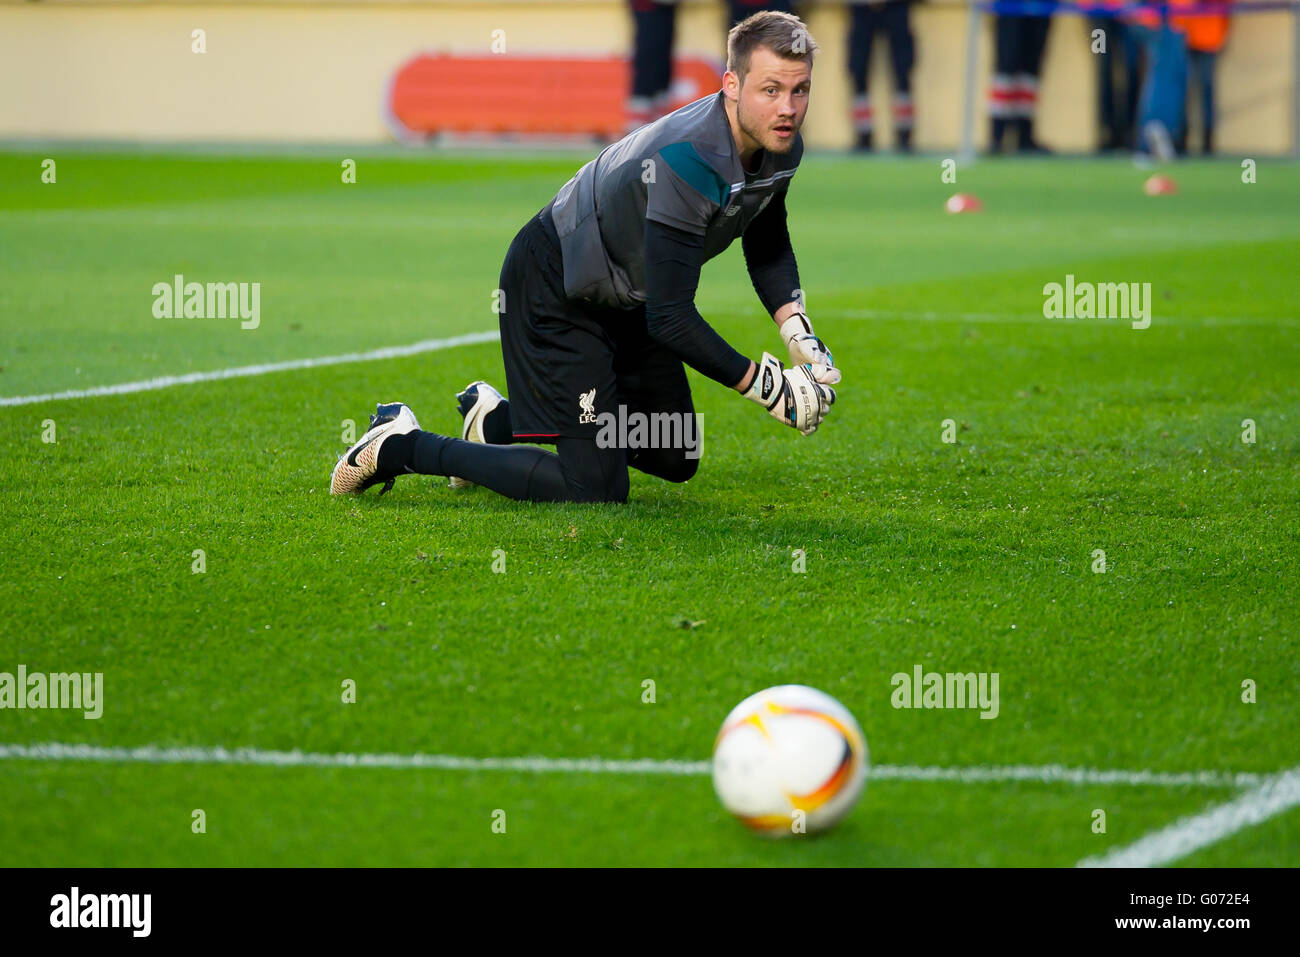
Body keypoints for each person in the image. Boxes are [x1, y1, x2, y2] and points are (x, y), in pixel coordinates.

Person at [330, 11, 839, 504]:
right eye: (770, 90)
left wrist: (796, 328)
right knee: (595, 487)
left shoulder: (780, 143)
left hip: (623, 290)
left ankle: (494, 421)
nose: (788, 108)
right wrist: (769, 388)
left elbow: (766, 238)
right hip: (558, 282)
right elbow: (671, 317)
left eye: (800, 90)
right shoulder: (689, 158)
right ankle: (399, 444)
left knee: (672, 452)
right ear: (731, 84)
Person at [847, 0, 918, 152]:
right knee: (858, 70)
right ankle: (863, 135)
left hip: (896, 6)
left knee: (903, 70)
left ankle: (905, 135)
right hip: (861, 7)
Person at [988, 9, 1052, 153]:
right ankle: (996, 137)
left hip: (1041, 8)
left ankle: (1025, 136)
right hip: (1010, 9)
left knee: (1030, 73)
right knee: (1005, 68)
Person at [626, 0, 680, 133]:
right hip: (646, 7)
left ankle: (660, 120)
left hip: (666, 9)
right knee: (647, 56)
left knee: (662, 60)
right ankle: (638, 122)